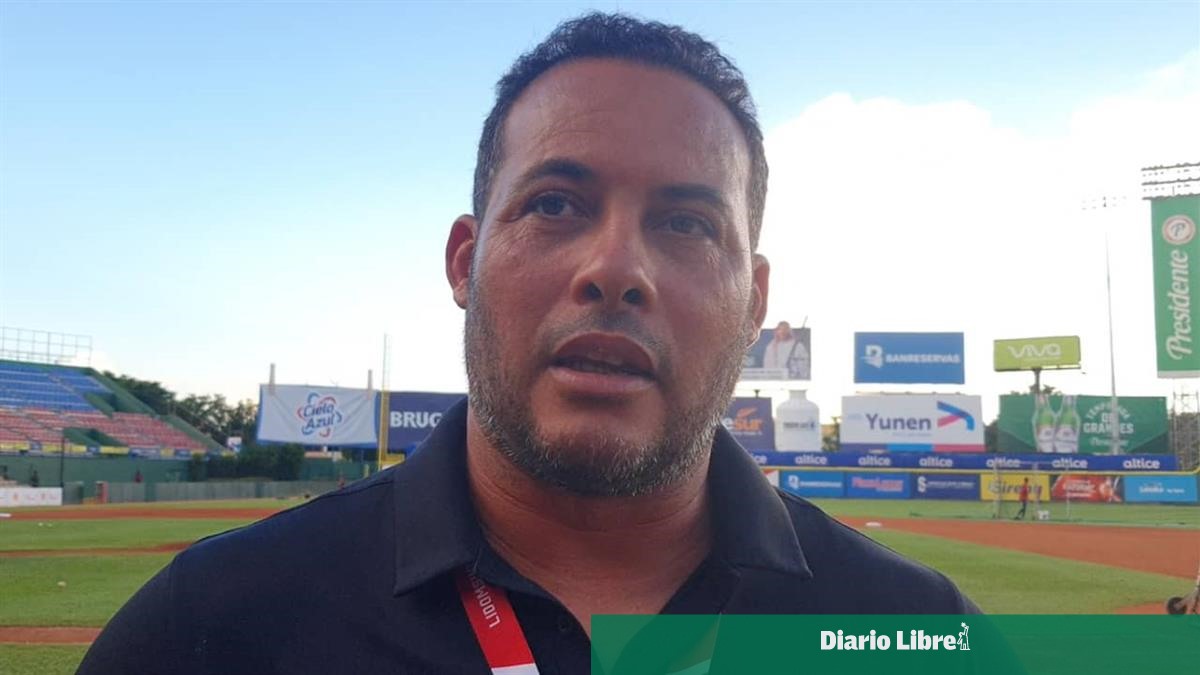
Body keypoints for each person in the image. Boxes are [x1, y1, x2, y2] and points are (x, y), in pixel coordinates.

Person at [81, 13, 977, 674]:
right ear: (464, 262)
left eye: (686, 223)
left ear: (755, 304)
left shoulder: (921, 634)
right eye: (554, 204)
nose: (616, 269)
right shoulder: (213, 625)